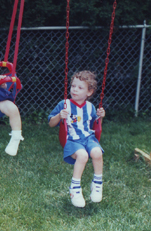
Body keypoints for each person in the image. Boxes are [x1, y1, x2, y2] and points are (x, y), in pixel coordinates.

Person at [48, 70, 105, 208]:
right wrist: (59, 116)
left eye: (80, 87)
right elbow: (51, 123)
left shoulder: (90, 107)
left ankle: (97, 184)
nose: (75, 89)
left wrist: (100, 117)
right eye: (73, 86)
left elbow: (95, 127)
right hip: (72, 140)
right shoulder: (64, 104)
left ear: (89, 92)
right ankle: (75, 188)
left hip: (88, 138)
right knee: (83, 155)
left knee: (97, 153)